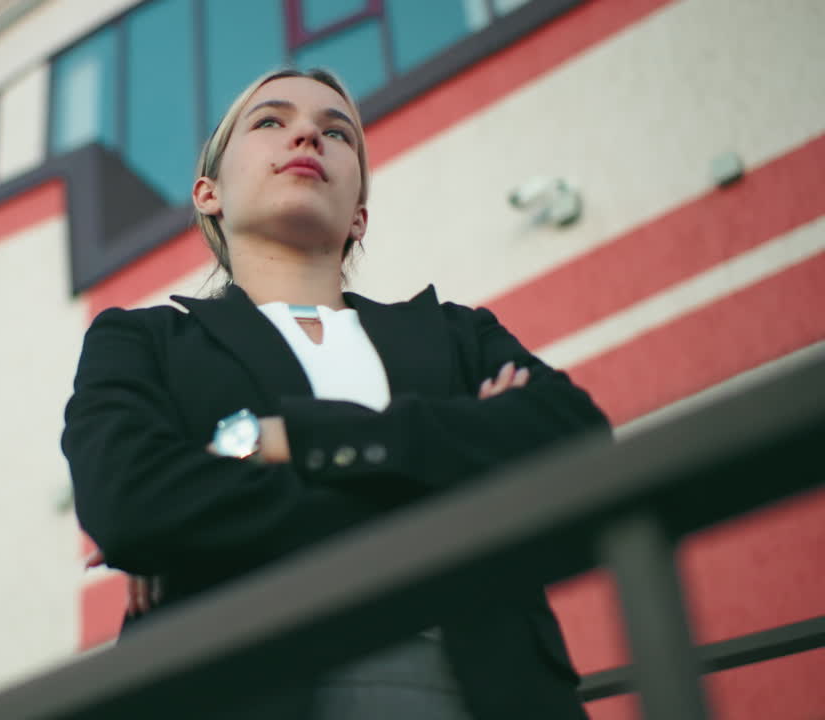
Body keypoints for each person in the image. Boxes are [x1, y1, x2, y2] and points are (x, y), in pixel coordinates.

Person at [61, 68, 610, 719]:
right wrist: (452, 469)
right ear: (208, 193)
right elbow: (131, 503)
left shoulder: (456, 333)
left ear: (360, 214)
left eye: (337, 132)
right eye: (270, 121)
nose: (306, 135)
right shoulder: (142, 342)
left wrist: (297, 441)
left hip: (483, 693)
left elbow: (576, 442)